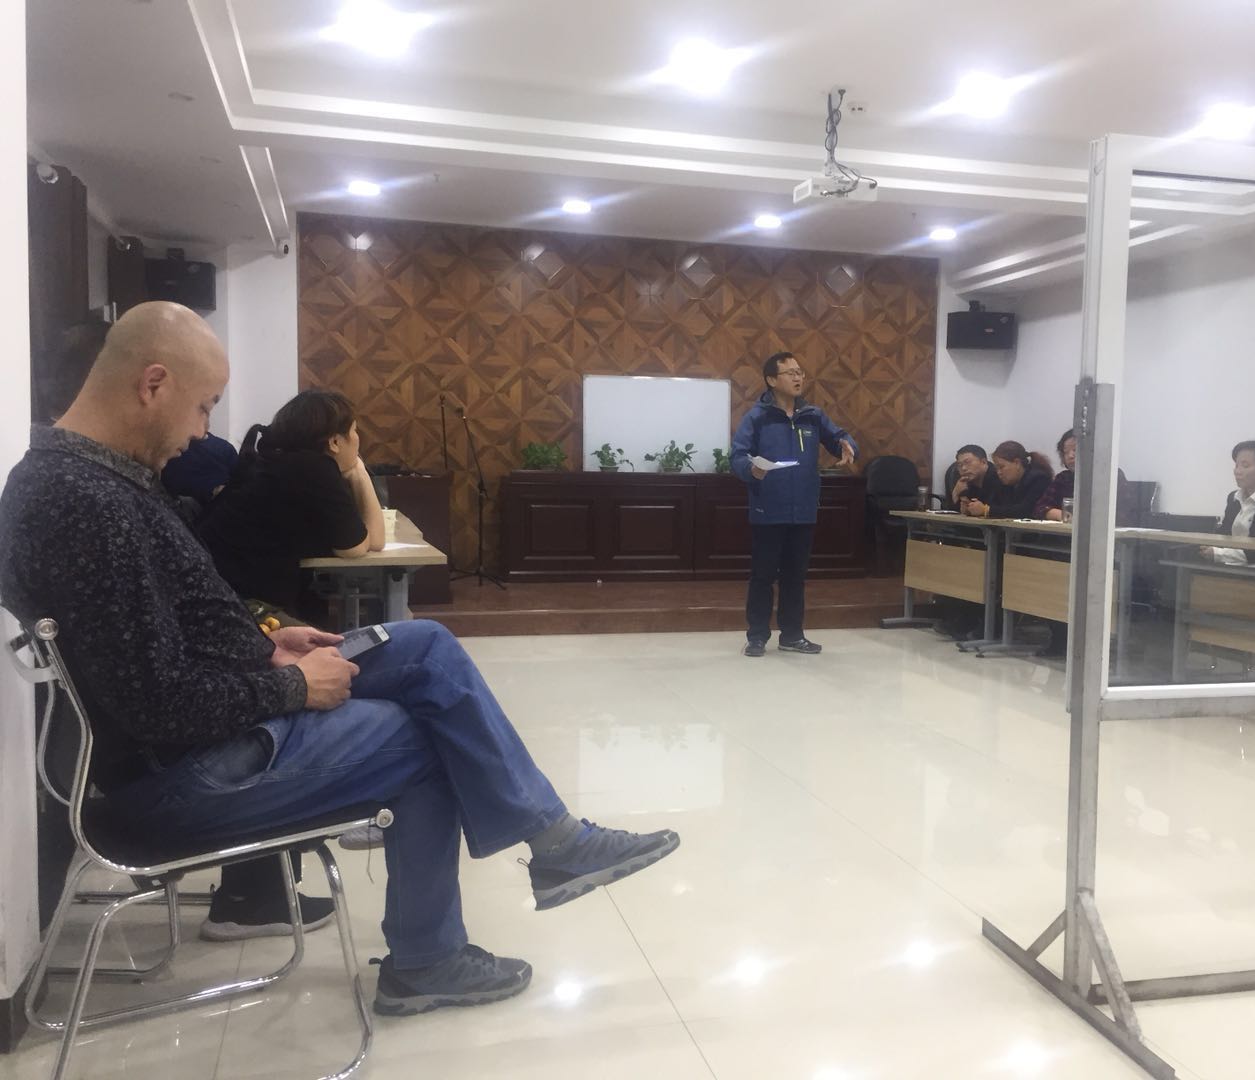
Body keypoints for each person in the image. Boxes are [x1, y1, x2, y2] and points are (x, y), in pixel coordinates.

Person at [0, 302, 680, 1017]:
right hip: (181, 778)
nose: (202, 431)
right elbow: (157, 703)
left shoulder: (79, 480)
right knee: (427, 739)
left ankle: (551, 842)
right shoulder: (88, 505)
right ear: (153, 384)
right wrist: (294, 688)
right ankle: (433, 956)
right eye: (203, 407)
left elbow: (159, 639)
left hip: (213, 724)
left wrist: (267, 641)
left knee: (424, 645)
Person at [199, 390, 384, 624]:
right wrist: (360, 474)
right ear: (335, 442)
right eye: (355, 431)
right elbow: (358, 547)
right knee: (325, 644)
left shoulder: (278, 462)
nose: (358, 439)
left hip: (218, 590)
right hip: (237, 605)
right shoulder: (313, 469)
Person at [731, 351, 857, 658]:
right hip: (767, 510)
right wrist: (750, 469)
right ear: (772, 380)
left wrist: (848, 445)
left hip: (803, 510)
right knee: (763, 577)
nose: (798, 377)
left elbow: (839, 437)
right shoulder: (757, 417)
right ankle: (757, 636)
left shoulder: (812, 415)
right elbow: (737, 455)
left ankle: (792, 635)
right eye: (790, 373)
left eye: (800, 372)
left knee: (795, 577)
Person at [967, 441, 1053, 520]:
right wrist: (971, 507)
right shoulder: (1006, 482)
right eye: (996, 468)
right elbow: (995, 504)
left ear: (1017, 463)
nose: (999, 472)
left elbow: (1025, 510)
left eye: (1001, 467)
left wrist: (987, 510)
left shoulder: (1039, 479)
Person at [951, 444, 1001, 515]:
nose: (963, 468)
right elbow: (953, 514)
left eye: (967, 462)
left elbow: (1002, 509)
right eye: (960, 465)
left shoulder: (999, 476)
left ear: (983, 462)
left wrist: (984, 510)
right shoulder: (964, 482)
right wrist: (955, 494)